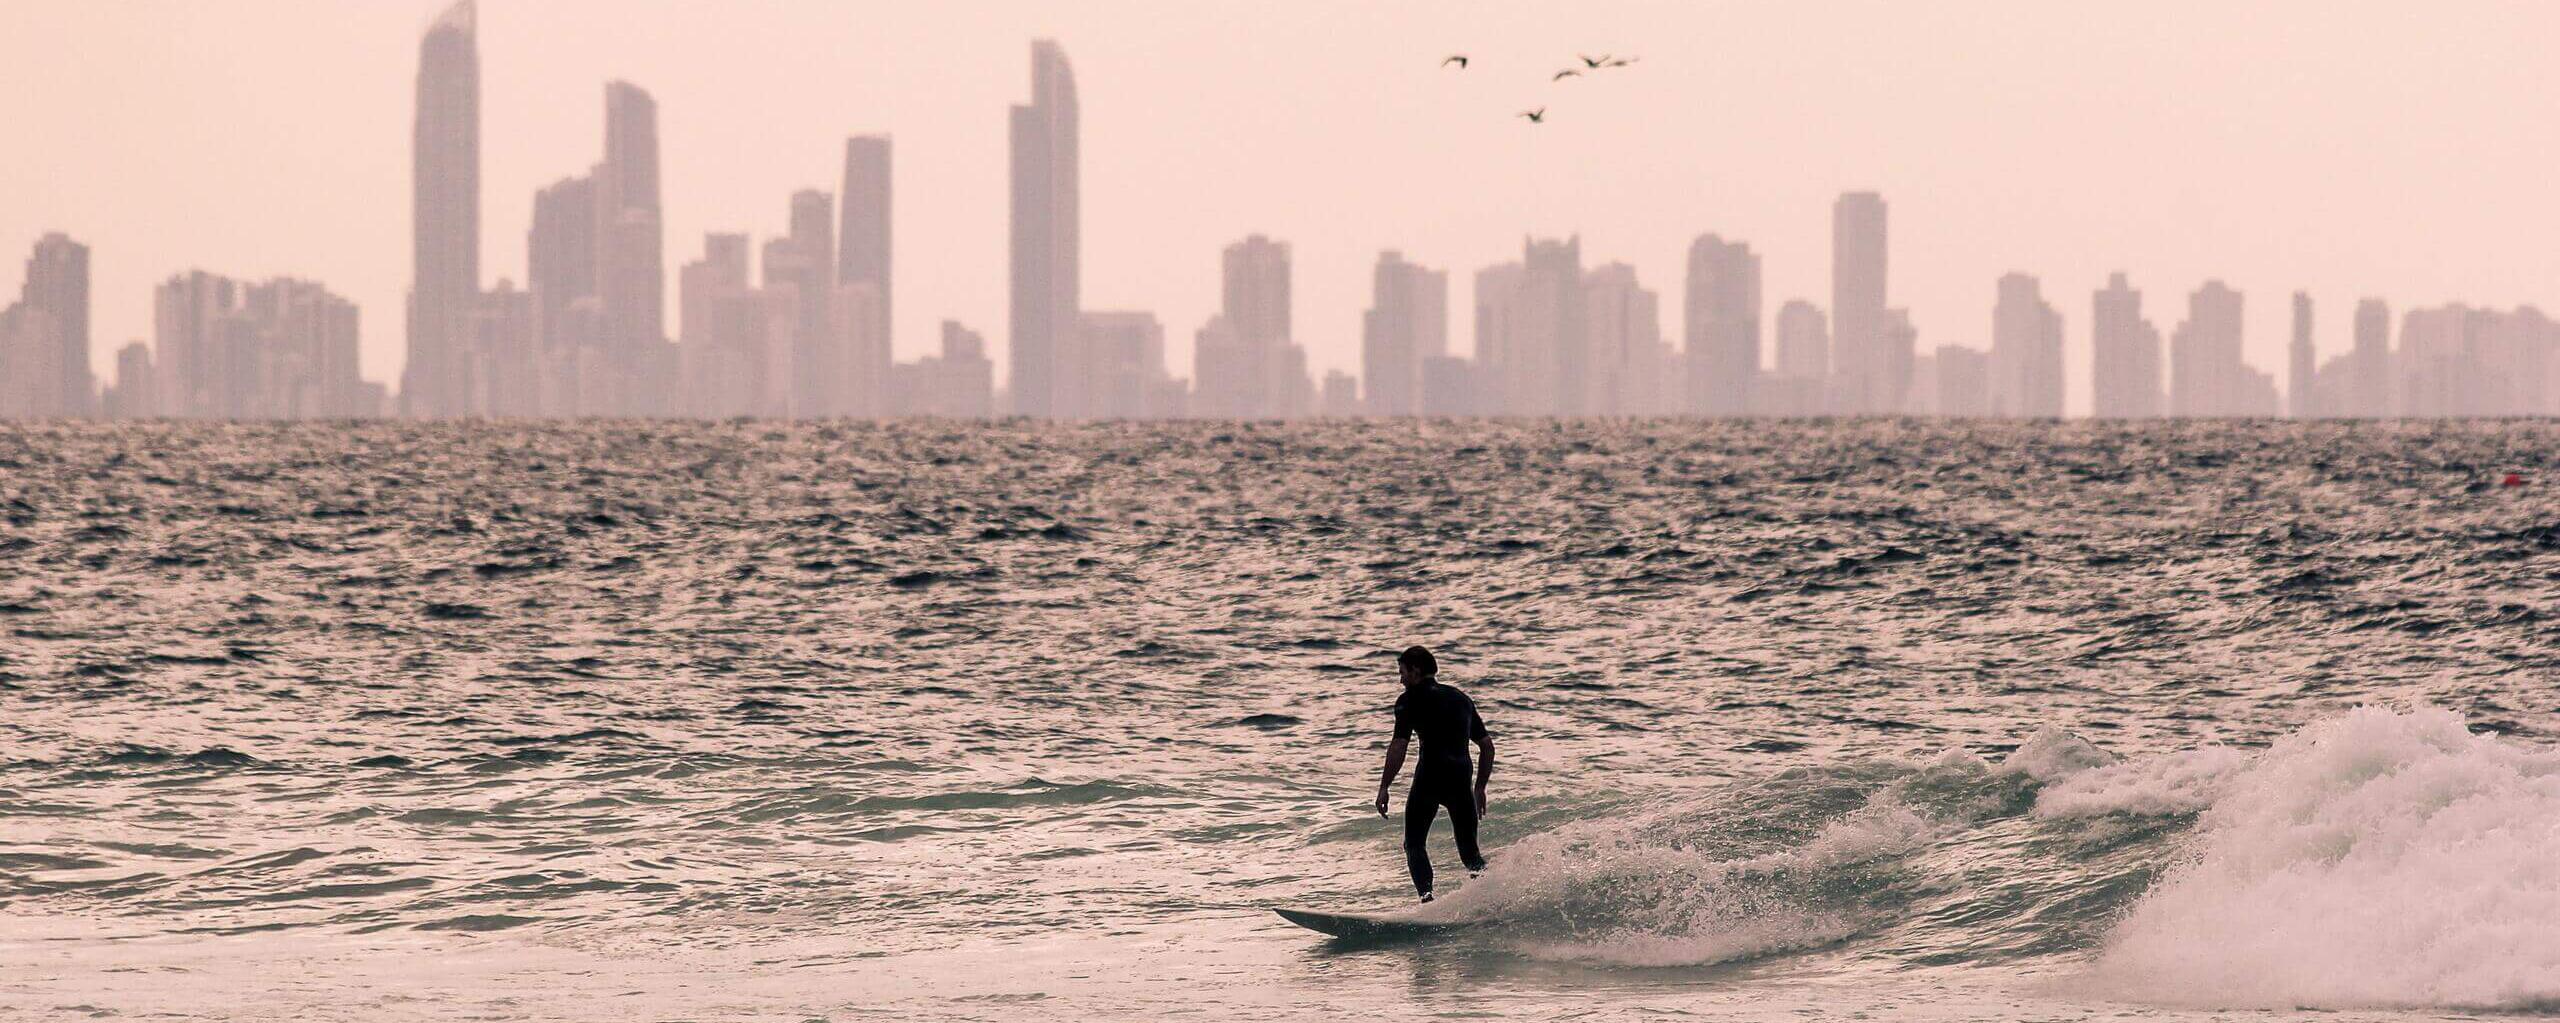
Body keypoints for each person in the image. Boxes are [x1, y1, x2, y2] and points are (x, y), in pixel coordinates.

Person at [1374, 645, 1493, 901]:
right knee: (1470, 854)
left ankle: (1427, 899)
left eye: (1403, 672)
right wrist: (1480, 787)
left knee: (1414, 844)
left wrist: (1384, 786)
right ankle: (1492, 898)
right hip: (1460, 780)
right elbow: (1486, 746)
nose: (1401, 679)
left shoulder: (1408, 701)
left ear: (1416, 671)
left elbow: (1398, 746)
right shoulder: (1461, 699)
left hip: (1430, 778)